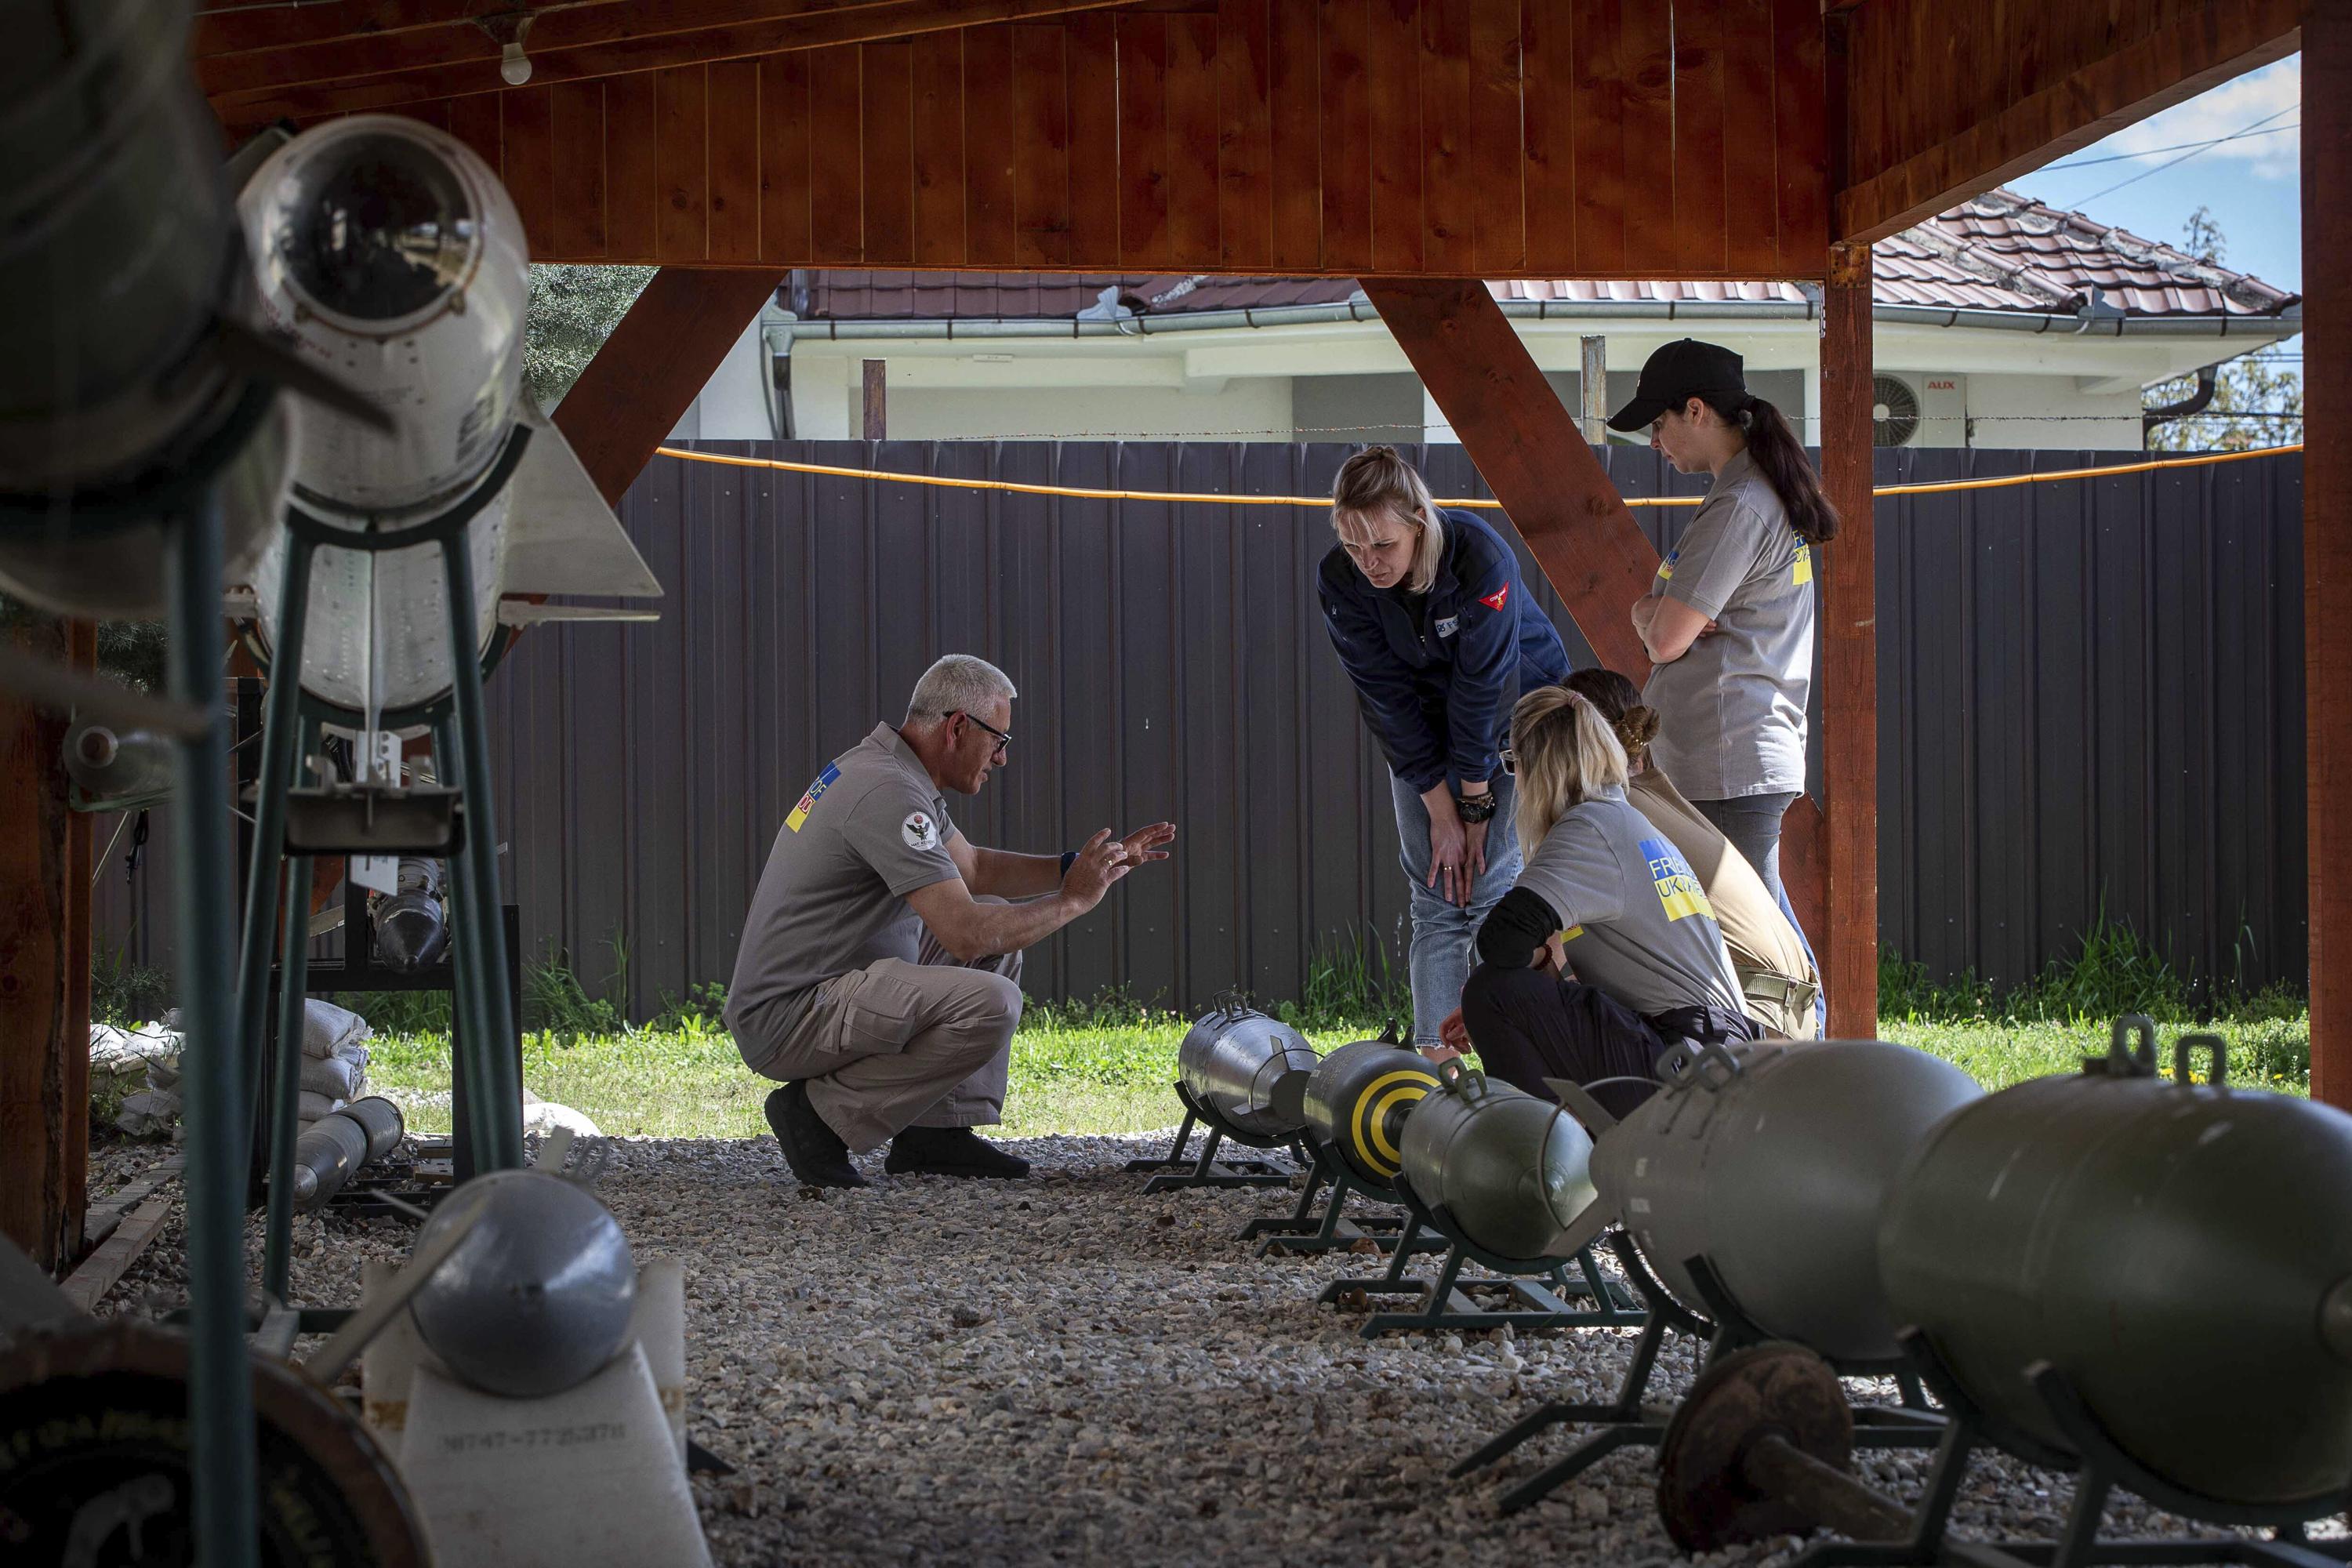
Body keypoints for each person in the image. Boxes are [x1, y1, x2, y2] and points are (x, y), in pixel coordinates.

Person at [724, 655, 1176, 1188]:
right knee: (992, 1001)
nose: (1003, 758)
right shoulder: (888, 794)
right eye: (1000, 741)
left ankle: (934, 1133)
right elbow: (963, 931)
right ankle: (817, 1118)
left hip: (820, 988)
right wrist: (1074, 901)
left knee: (998, 941)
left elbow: (975, 868)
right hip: (790, 1016)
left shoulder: (894, 772)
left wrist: (1074, 869)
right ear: (959, 727)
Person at [1316, 445, 1571, 1051]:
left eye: (1382, 546)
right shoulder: (1340, 580)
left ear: (1419, 523)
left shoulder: (1481, 558)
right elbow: (1383, 697)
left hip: (1517, 717)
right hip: (1421, 732)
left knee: (1491, 890)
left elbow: (1485, 690)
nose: (1368, 563)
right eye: (1354, 547)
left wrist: (1476, 808)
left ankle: (1516, 1064)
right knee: (1435, 894)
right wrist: (1439, 809)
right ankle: (1436, 1071)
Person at [1611, 338, 1832, 1011]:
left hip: (1728, 754)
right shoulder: (1745, 493)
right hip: (1726, 750)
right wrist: (1652, 612)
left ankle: (1811, 1056)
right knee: (1748, 923)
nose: (1654, 441)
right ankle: (1790, 1061)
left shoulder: (1740, 504)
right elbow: (1670, 626)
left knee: (1758, 933)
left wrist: (1649, 613)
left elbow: (1668, 638)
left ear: (1697, 410)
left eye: (1659, 423)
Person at [1441, 686, 1758, 1117]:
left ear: (1538, 767)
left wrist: (1515, 996)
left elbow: (1501, 941)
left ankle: (1540, 1159)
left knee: (1491, 991)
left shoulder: (1590, 827)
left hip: (1688, 1060)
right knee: (1505, 994)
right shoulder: (1624, 820)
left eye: (1513, 765)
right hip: (1710, 1055)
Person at [1563, 667, 1819, 1039]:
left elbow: (1547, 943)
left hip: (1750, 1024)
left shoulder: (1607, 817)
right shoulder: (1658, 797)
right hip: (1792, 1014)